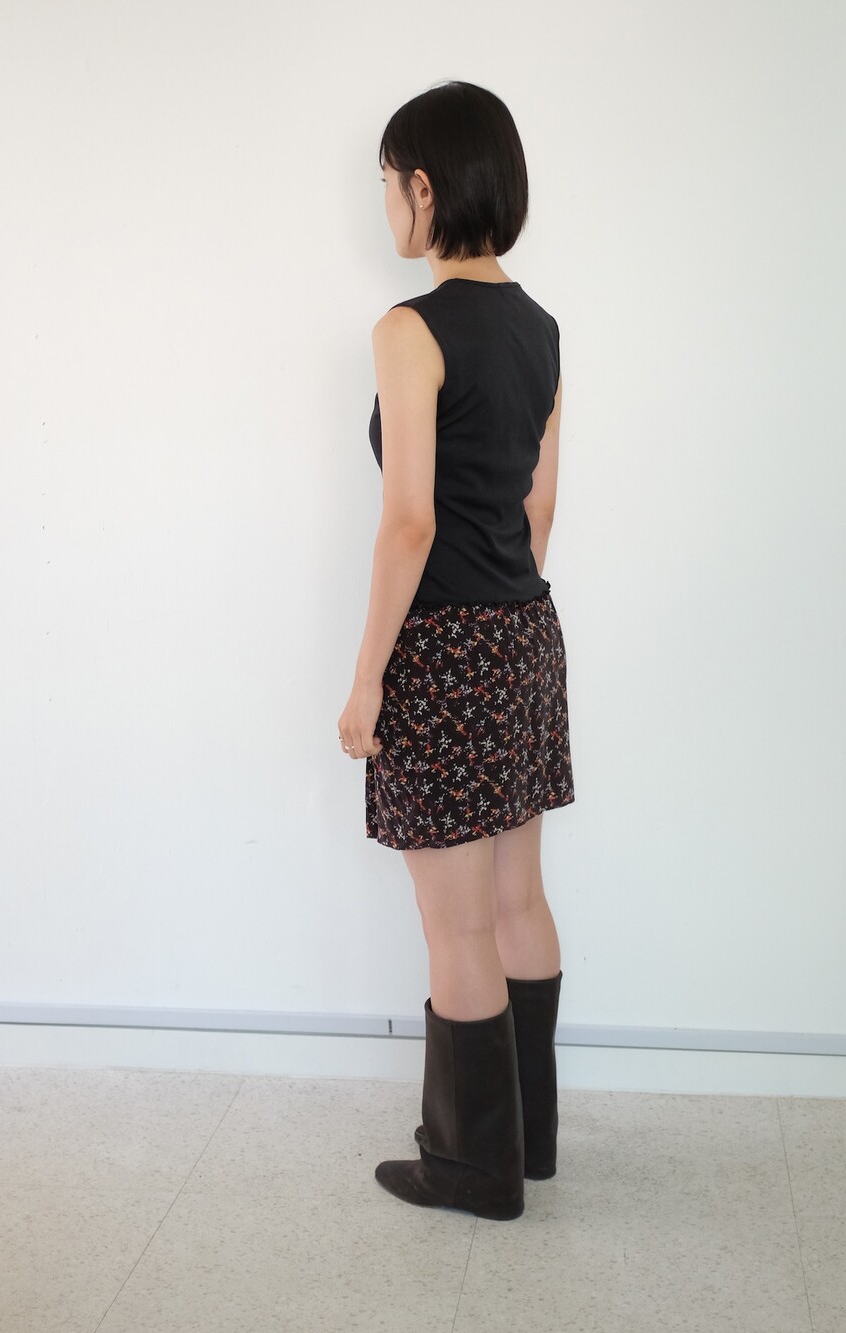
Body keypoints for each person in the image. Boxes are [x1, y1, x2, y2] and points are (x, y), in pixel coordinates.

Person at [336, 80, 575, 1222]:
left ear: (424, 188)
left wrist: (368, 679)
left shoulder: (410, 330)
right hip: (526, 633)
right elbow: (539, 507)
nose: (385, 202)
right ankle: (527, 1139)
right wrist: (506, 617)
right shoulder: (541, 329)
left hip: (443, 648)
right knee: (519, 898)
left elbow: (409, 523)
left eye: (388, 182)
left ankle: (473, 1166)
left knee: (457, 920)